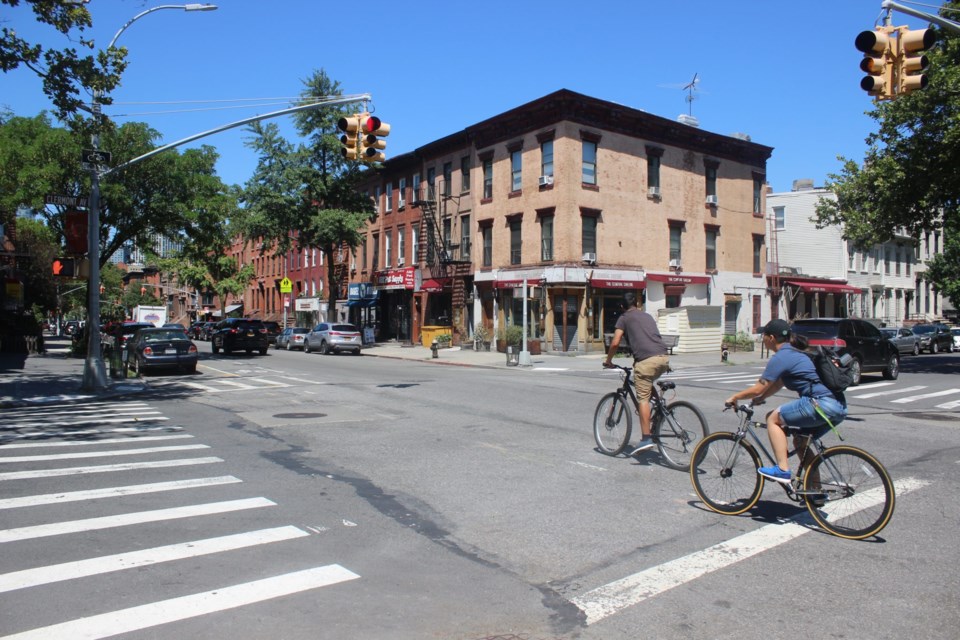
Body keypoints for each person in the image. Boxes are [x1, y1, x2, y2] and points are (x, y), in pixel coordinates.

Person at [724, 318, 847, 483]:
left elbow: (759, 386)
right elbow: (777, 384)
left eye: (764, 336)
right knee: (800, 442)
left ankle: (782, 469)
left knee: (772, 419)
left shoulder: (782, 357)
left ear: (772, 338)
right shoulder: (795, 352)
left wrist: (735, 397)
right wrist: (760, 399)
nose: (763, 339)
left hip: (819, 403)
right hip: (837, 405)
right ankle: (814, 490)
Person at [603, 292, 671, 454]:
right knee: (647, 384)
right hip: (663, 357)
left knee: (642, 399)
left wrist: (609, 361)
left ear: (622, 307)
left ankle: (646, 438)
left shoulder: (624, 317)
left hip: (646, 361)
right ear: (637, 304)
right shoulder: (647, 316)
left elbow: (615, 342)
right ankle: (659, 410)